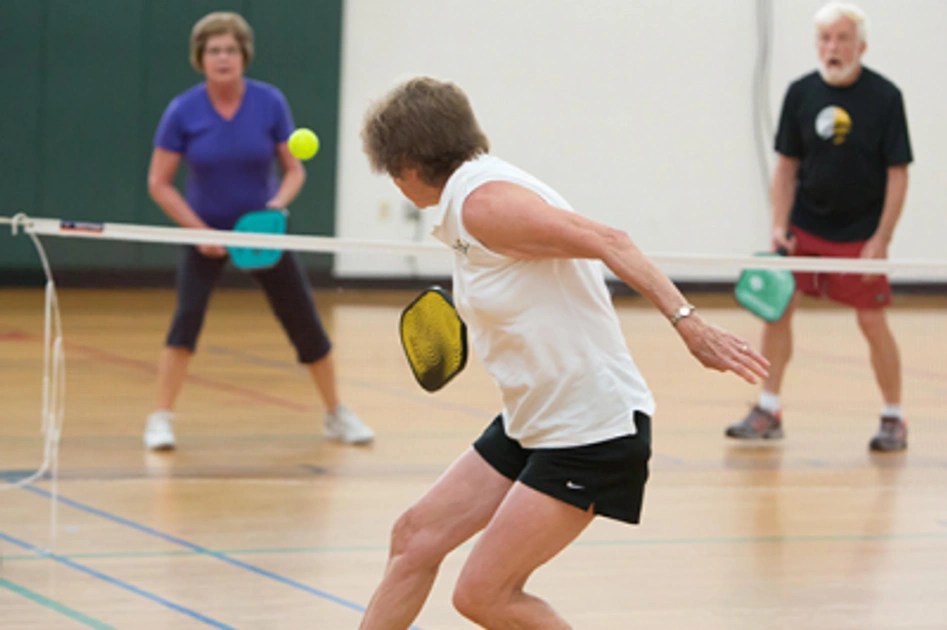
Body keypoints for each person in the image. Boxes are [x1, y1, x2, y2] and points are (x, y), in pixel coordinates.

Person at [358, 76, 769, 629]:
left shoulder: (485, 203)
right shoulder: (472, 199)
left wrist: (688, 322)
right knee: (414, 539)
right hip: (533, 420)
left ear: (408, 162)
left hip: (590, 434)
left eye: (390, 170)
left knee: (484, 594)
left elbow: (612, 240)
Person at [143, 11, 373, 450]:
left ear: (244, 55)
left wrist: (274, 209)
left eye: (230, 49)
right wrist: (200, 231)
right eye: (214, 50)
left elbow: (293, 171)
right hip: (205, 231)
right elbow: (158, 182)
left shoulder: (270, 102)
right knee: (185, 321)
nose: (223, 57)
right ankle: (161, 418)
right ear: (201, 58)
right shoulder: (182, 111)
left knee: (303, 320)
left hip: (263, 234)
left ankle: (335, 414)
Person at [725, 2, 912, 452]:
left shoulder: (886, 98)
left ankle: (893, 418)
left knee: (871, 321)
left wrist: (881, 239)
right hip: (804, 228)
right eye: (825, 39)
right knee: (778, 314)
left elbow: (898, 173)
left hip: (860, 236)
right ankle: (768, 408)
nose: (832, 48)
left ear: (860, 45)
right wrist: (778, 224)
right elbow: (786, 166)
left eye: (842, 38)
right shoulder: (800, 94)